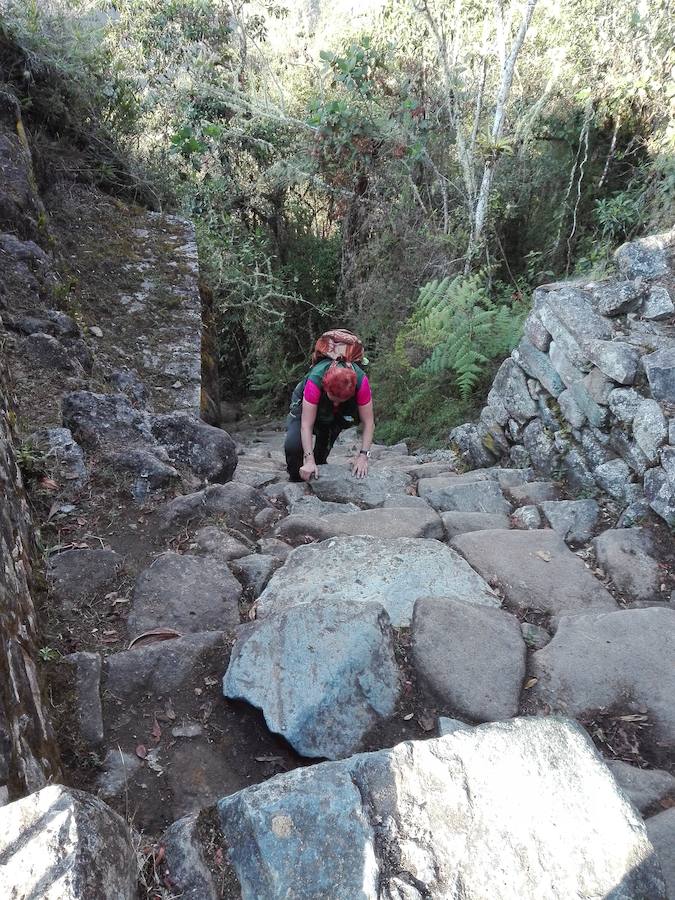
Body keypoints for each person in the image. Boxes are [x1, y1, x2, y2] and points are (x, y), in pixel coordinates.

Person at [284, 343, 375, 483]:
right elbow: (306, 425)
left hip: (339, 413)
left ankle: (319, 465)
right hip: (308, 403)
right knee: (293, 445)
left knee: (322, 452)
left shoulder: (361, 382)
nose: (336, 403)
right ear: (325, 388)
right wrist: (308, 460)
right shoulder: (315, 380)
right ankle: (295, 479)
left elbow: (369, 423)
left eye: (340, 400)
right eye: (334, 399)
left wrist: (363, 456)